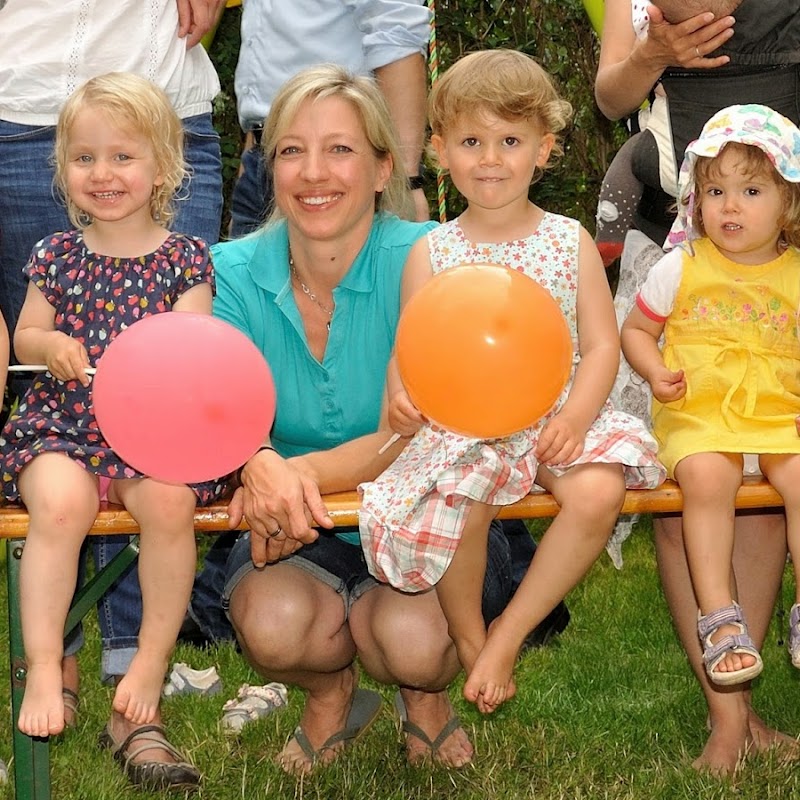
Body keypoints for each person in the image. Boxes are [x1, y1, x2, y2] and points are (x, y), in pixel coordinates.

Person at [210, 62, 538, 774]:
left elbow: (423, 428)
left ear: (385, 165)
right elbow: (219, 403)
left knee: (415, 643)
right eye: (292, 150)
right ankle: (331, 694)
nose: (313, 172)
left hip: (425, 503)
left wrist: (290, 473)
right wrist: (256, 461)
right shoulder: (230, 269)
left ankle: (425, 696)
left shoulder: (431, 258)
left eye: (341, 149)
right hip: (297, 519)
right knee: (271, 626)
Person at [357, 49, 664, 715]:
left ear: (543, 150)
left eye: (510, 141)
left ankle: (511, 632)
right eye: (471, 141)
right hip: (464, 421)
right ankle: (470, 636)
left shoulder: (566, 240)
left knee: (596, 490)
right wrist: (401, 395)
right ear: (439, 151)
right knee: (459, 498)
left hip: (554, 412)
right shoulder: (432, 250)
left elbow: (603, 345)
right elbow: (409, 347)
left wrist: (577, 420)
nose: (490, 158)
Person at [0, 0, 224, 788]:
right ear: (63, 171)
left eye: (123, 158)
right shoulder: (55, 253)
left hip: (149, 428)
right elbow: (26, 337)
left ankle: (148, 667)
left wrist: (156, 358)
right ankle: (39, 662)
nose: (103, 175)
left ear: (163, 167)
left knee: (168, 502)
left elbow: (197, 351)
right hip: (62, 426)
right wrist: (49, 344)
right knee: (58, 505)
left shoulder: (185, 258)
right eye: (84, 159)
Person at [596, 0, 800, 774]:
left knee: (770, 501)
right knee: (689, 502)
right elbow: (611, 94)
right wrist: (656, 49)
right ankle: (727, 717)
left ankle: (748, 712)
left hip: (781, 260)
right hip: (681, 258)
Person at [622, 104, 800, 686]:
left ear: (789, 203)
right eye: (715, 190)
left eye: (751, 189)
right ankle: (721, 619)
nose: (729, 205)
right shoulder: (681, 267)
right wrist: (654, 371)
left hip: (779, 414)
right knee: (707, 478)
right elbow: (636, 331)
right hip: (698, 412)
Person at [228, 0, 431, 235]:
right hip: (262, 161)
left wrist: (405, 181)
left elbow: (399, 37)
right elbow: (263, 92)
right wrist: (250, 175)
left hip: (342, 167)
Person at [594, 0, 742, 268]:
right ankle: (609, 236)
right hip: (667, 143)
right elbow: (609, 101)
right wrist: (650, 57)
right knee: (634, 156)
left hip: (763, 165)